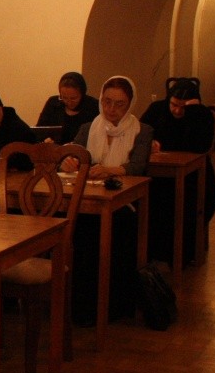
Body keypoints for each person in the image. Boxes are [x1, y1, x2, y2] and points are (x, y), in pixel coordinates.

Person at [65, 75, 154, 325]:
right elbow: (76, 154)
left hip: (123, 203)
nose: (111, 109)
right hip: (89, 199)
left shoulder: (142, 131)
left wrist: (109, 170)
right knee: (78, 227)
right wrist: (69, 161)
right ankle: (79, 306)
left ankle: (111, 305)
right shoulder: (88, 127)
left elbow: (137, 166)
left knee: (113, 228)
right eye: (107, 102)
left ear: (130, 105)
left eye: (119, 104)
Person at [140, 78, 215, 265]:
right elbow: (141, 132)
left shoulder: (203, 115)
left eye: (183, 107)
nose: (177, 111)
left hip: (194, 173)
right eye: (174, 105)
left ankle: (183, 251)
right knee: (153, 195)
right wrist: (151, 143)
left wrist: (194, 113)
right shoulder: (157, 109)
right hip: (160, 172)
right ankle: (153, 250)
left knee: (192, 197)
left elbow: (201, 146)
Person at [36, 71, 100, 144]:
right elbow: (39, 130)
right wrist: (45, 140)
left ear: (82, 94)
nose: (69, 102)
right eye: (64, 98)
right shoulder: (53, 103)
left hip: (81, 150)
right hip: (55, 149)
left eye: (73, 98)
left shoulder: (93, 106)